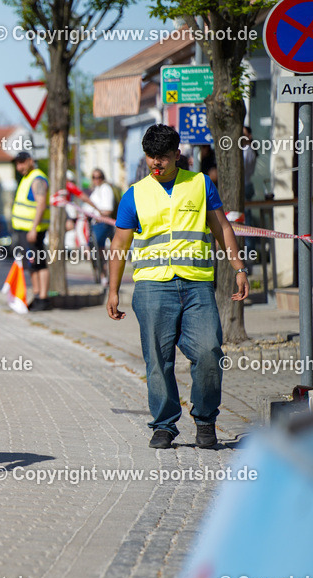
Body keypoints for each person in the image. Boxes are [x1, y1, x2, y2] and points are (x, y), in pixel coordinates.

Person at [106, 124, 249, 450]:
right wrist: (113, 290)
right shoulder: (135, 194)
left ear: (176, 155)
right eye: (151, 157)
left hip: (197, 285)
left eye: (163, 158)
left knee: (209, 352)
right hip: (152, 288)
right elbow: (119, 244)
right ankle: (164, 425)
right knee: (158, 359)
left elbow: (222, 228)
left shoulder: (200, 184)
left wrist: (239, 268)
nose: (157, 163)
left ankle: (205, 420)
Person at [10, 151, 51, 310]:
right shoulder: (27, 178)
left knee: (39, 263)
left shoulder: (37, 179)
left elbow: (41, 204)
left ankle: (43, 298)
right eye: (17, 164)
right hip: (24, 231)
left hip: (33, 231)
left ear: (30, 161)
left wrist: (34, 229)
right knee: (31, 264)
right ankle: (37, 294)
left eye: (22, 163)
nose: (19, 167)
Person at [86, 169, 116, 286]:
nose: (96, 180)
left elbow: (108, 210)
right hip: (94, 223)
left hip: (102, 224)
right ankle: (102, 275)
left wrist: (98, 214)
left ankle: (105, 276)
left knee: (100, 251)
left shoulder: (105, 189)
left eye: (98, 177)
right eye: (93, 177)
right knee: (95, 252)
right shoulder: (95, 190)